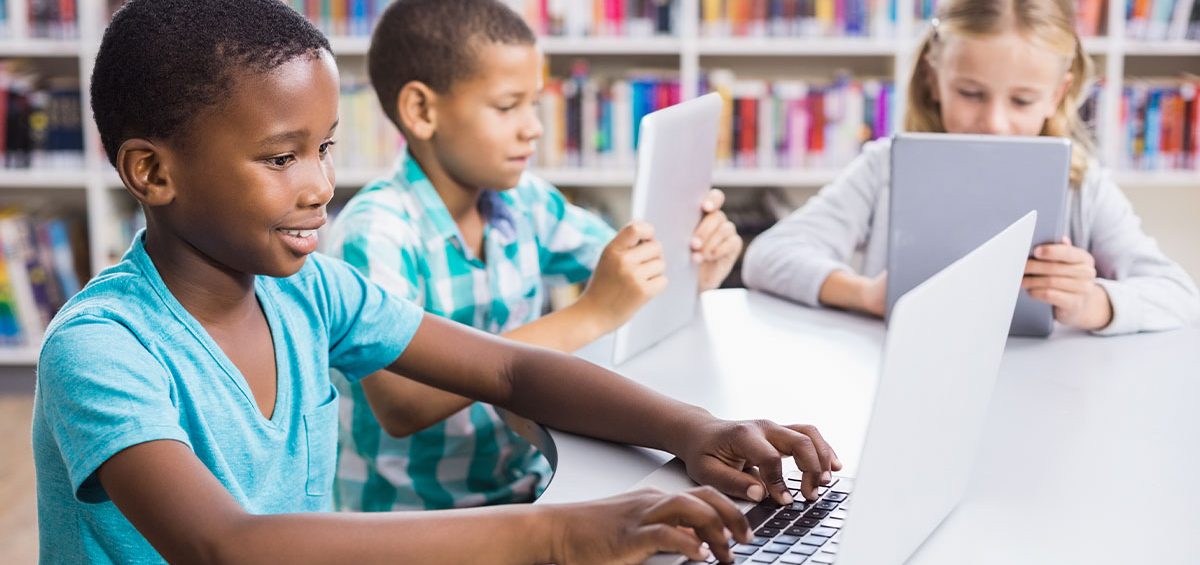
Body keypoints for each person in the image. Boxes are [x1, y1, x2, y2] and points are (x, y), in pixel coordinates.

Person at [31, 1, 836, 562]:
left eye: (325, 148)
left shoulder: (310, 288)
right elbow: (225, 545)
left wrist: (693, 429)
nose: (319, 185)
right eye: (281, 157)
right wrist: (557, 534)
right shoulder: (100, 350)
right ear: (150, 171)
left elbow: (509, 368)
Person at [327, 0, 743, 511]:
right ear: (422, 111)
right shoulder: (375, 231)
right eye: (507, 107)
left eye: (535, 104)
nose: (534, 128)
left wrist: (687, 267)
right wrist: (592, 313)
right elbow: (403, 405)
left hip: (527, 488)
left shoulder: (525, 199)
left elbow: (621, 274)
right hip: (411, 520)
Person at [742, 0, 1200, 335]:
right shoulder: (886, 167)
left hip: (1050, 391)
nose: (994, 122)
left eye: (1021, 100)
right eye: (971, 93)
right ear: (932, 77)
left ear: (1057, 95)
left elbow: (1178, 294)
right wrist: (865, 295)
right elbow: (768, 256)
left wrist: (1091, 303)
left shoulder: (1083, 186)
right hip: (909, 373)